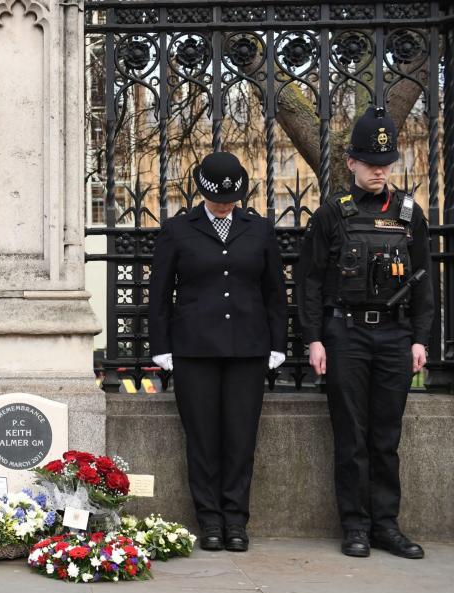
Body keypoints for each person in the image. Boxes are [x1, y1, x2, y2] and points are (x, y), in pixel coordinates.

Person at [297, 106, 432, 559]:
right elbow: (311, 281)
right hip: (346, 334)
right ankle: (355, 525)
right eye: (371, 163)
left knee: (386, 437)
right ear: (350, 163)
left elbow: (425, 283)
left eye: (386, 163)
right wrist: (315, 338)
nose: (379, 171)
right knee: (351, 436)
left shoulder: (411, 215)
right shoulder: (333, 213)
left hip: (395, 336)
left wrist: (420, 339)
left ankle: (386, 526)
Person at [148, 152, 287, 553]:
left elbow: (275, 293)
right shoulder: (178, 230)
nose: (225, 206)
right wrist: (162, 348)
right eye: (218, 199)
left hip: (248, 349)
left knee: (241, 439)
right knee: (203, 439)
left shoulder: (258, 230)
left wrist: (277, 343)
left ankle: (236, 521)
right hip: (194, 350)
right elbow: (159, 294)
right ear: (202, 191)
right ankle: (209, 520)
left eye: (231, 199)